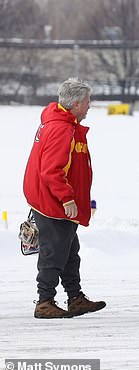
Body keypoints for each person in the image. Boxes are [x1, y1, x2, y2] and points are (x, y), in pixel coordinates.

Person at [23, 78, 106, 319]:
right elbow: (52, 170)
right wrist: (67, 199)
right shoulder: (61, 128)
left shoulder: (60, 123)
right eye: (88, 102)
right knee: (55, 251)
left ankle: (75, 297)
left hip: (53, 200)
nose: (90, 106)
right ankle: (44, 301)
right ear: (77, 103)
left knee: (70, 250)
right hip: (53, 203)